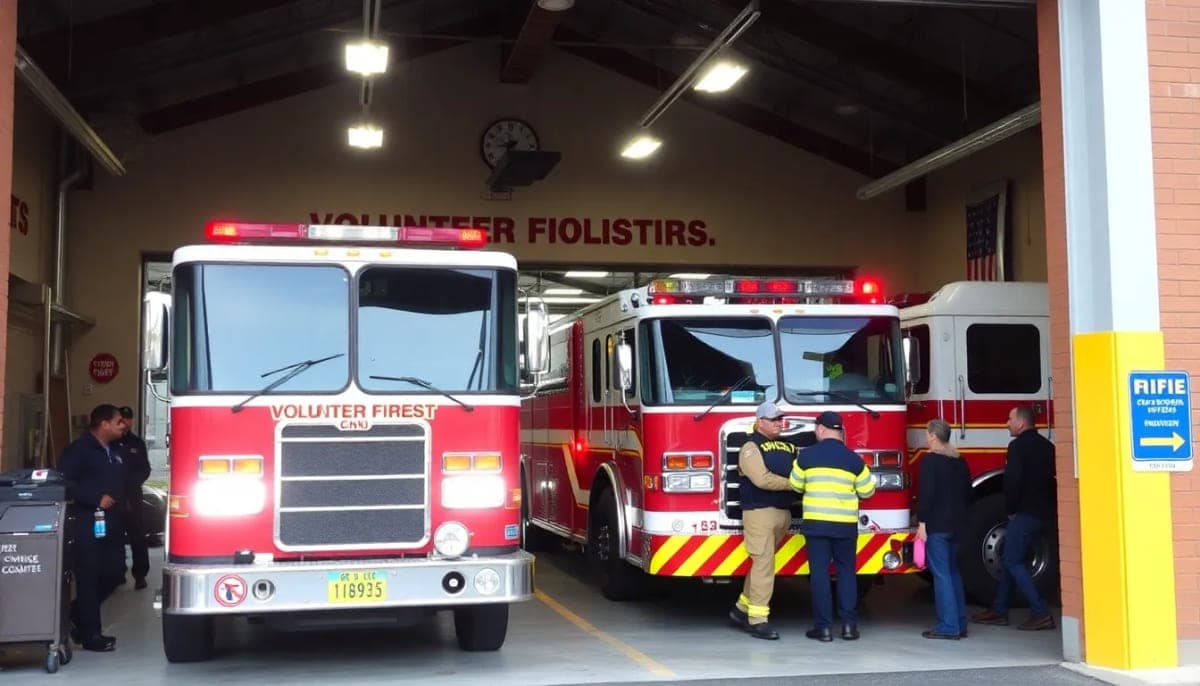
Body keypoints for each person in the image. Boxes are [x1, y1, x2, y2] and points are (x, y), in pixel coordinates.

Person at [789, 411, 876, 642]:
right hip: (845, 526)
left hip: (816, 525)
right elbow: (868, 491)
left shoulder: (806, 457)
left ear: (820, 430)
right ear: (840, 432)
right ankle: (849, 626)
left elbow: (795, 486)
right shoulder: (854, 460)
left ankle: (823, 628)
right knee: (847, 574)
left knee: (819, 576)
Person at [972, 405, 1057, 631]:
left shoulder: (1017, 447)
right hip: (1043, 512)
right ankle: (999, 610)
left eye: (1010, 419)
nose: (1007, 423)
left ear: (1021, 423)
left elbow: (1013, 482)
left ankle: (1041, 613)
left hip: (1025, 513)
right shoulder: (1048, 447)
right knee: (1011, 555)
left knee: (1011, 561)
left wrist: (1010, 509)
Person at [58, 404, 128, 652]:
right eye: (119, 421)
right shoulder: (79, 451)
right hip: (87, 521)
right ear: (104, 424)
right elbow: (64, 481)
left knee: (114, 573)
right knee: (88, 577)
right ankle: (91, 635)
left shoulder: (114, 450)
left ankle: (76, 613)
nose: (124, 425)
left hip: (112, 522)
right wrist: (94, 497)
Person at [728, 401, 798, 640]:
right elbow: (762, 480)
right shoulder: (750, 446)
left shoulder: (789, 446)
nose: (779, 423)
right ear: (760, 422)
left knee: (762, 565)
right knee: (764, 565)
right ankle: (757, 620)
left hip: (782, 512)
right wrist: (793, 484)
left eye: (780, 419)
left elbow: (799, 470)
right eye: (774, 420)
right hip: (759, 512)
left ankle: (741, 609)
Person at [917, 418, 972, 640]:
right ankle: (960, 622)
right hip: (959, 525)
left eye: (926, 433)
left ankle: (948, 626)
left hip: (938, 526)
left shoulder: (930, 462)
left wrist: (922, 523)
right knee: (953, 573)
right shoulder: (960, 462)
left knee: (941, 575)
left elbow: (927, 496)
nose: (926, 436)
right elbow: (968, 494)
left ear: (933, 436)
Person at [114, 405, 151, 590]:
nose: (126, 422)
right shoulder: (110, 442)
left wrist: (132, 485)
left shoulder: (137, 443)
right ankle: (117, 572)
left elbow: (145, 469)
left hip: (133, 497)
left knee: (137, 537)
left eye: (129, 418)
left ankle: (140, 575)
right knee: (114, 536)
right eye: (122, 419)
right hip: (113, 497)